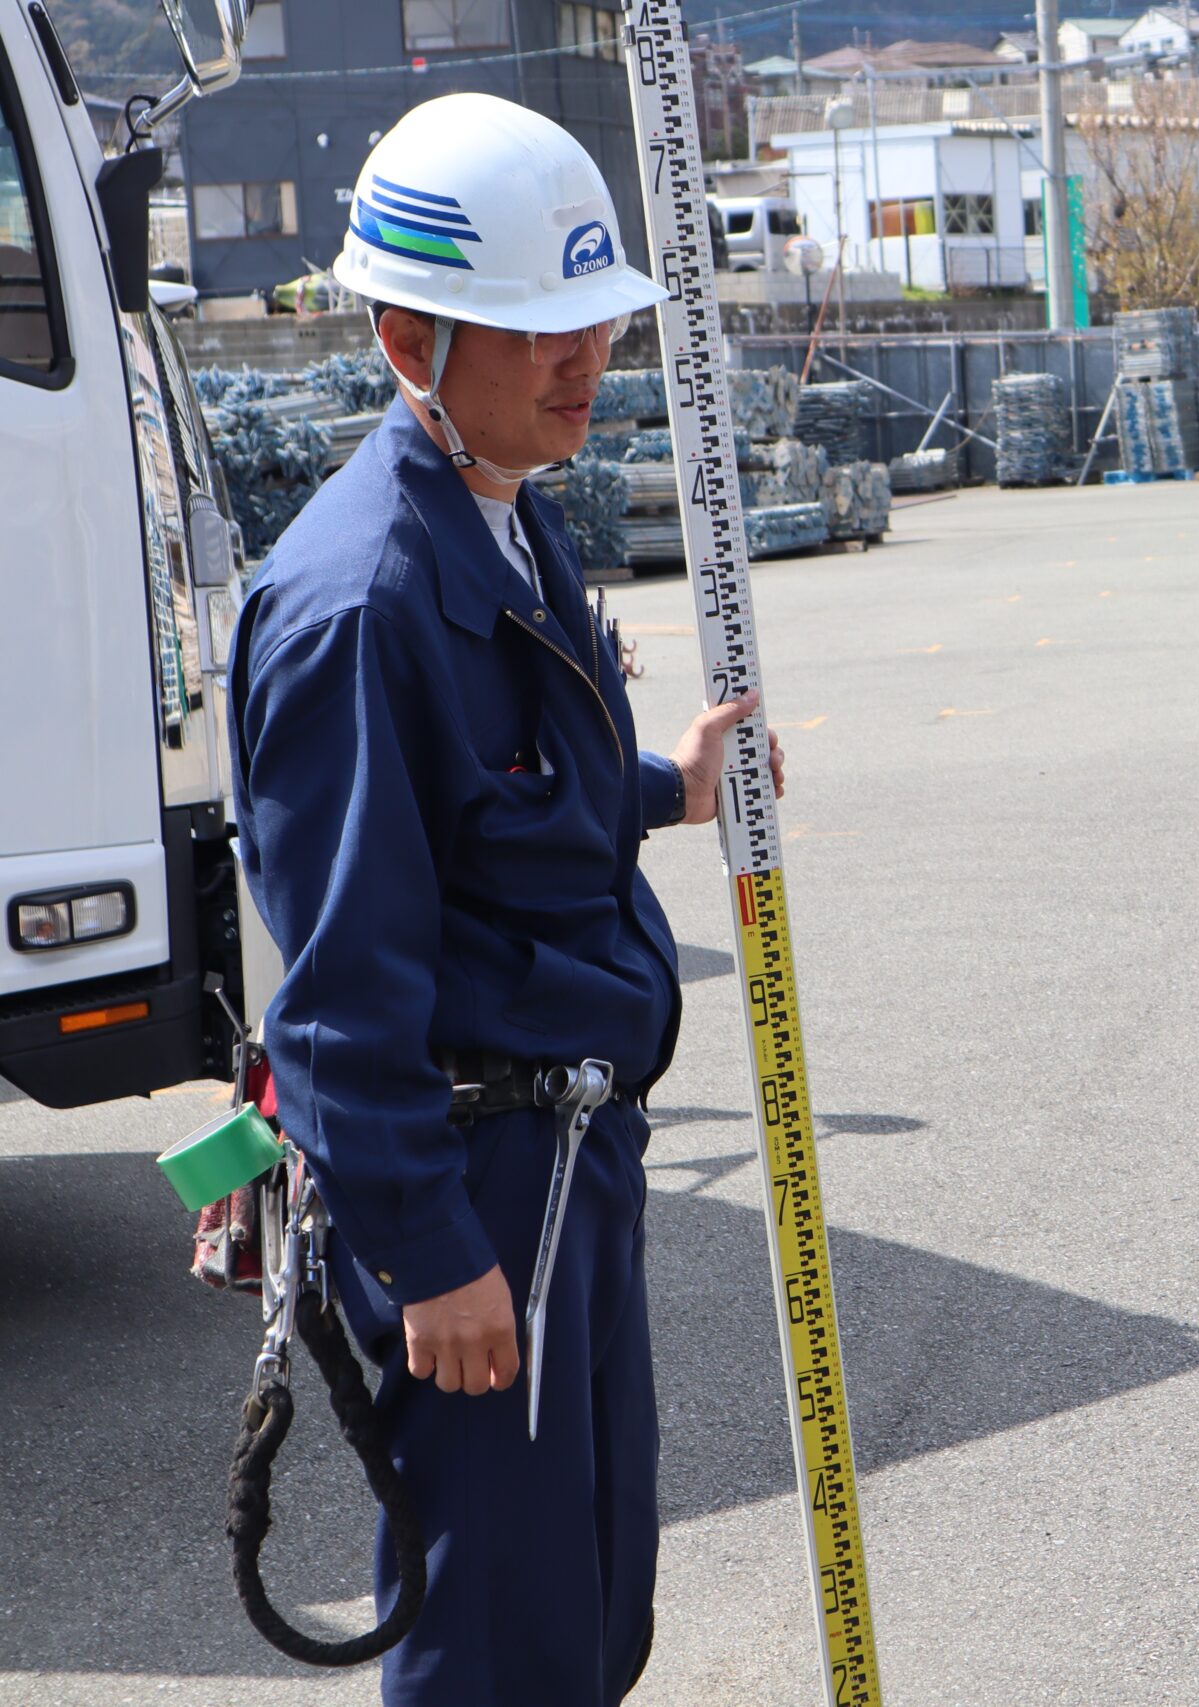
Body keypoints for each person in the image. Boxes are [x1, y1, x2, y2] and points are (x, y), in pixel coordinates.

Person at [227, 94, 778, 1706]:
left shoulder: (506, 519)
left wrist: (661, 785)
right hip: (481, 1191)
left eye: (591, 321)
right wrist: (428, 1245)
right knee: (503, 1652)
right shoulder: (358, 602)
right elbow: (334, 988)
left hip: (571, 1160)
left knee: (592, 1609)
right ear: (408, 337)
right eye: (535, 329)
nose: (582, 358)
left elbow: (498, 810)